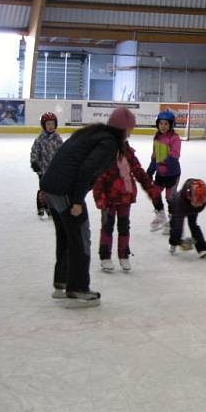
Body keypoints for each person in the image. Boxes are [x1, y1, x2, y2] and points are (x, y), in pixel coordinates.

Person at [41, 107, 137, 307]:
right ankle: (78, 289)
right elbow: (87, 169)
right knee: (80, 236)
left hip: (53, 187)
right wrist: (76, 200)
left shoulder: (94, 133)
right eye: (130, 129)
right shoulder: (109, 143)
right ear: (123, 129)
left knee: (67, 236)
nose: (130, 133)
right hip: (65, 190)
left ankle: (63, 281)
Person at [93, 139, 161, 272]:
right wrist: (100, 197)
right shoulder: (103, 154)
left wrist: (150, 188)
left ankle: (124, 255)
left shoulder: (128, 152)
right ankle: (105, 256)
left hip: (125, 196)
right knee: (107, 226)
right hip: (108, 198)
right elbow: (98, 177)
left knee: (124, 227)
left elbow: (138, 171)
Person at [167, 178, 206, 258]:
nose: (199, 205)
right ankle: (173, 244)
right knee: (175, 226)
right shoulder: (179, 203)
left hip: (191, 208)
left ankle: (202, 248)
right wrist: (180, 242)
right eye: (197, 202)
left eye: (201, 202)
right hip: (176, 207)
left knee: (193, 224)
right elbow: (178, 225)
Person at [148, 110, 182, 232]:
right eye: (161, 123)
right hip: (160, 173)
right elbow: (154, 155)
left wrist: (162, 162)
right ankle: (160, 215)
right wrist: (150, 170)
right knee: (154, 193)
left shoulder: (175, 138)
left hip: (172, 173)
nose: (163, 126)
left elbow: (175, 155)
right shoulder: (156, 138)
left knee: (170, 197)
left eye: (166, 124)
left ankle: (172, 221)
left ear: (171, 125)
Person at [30, 112, 63, 218]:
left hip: (54, 169)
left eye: (53, 124)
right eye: (48, 124)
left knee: (52, 189)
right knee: (43, 188)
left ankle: (50, 206)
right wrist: (34, 162)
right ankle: (41, 205)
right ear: (44, 125)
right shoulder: (40, 139)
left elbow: (62, 152)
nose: (51, 126)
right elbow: (34, 151)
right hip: (42, 169)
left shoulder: (57, 138)